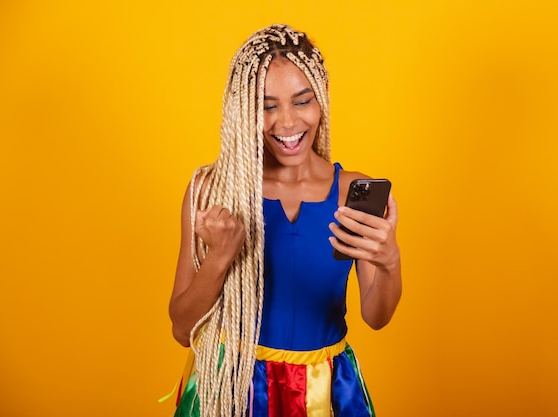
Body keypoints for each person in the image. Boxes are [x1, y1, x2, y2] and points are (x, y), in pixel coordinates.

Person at [168, 24, 402, 417]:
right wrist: (220, 257)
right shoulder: (214, 190)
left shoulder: (351, 192)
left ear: (322, 98)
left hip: (325, 391)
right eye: (267, 105)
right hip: (233, 386)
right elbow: (181, 329)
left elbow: (376, 317)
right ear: (244, 108)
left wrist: (389, 260)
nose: (287, 122)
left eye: (302, 100)